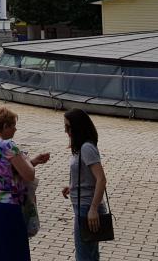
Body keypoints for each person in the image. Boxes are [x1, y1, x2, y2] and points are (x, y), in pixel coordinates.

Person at [0, 106, 51, 261]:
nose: (15, 129)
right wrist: (26, 160)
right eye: (13, 126)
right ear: (5, 126)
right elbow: (29, 175)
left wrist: (33, 161)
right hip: (7, 206)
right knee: (12, 252)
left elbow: (5, 173)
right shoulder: (8, 145)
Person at [61, 108, 108, 261]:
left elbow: (101, 179)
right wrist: (73, 187)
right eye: (65, 127)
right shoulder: (81, 147)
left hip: (87, 208)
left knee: (84, 256)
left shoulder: (87, 148)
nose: (66, 131)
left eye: (69, 127)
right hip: (83, 206)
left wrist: (93, 209)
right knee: (90, 254)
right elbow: (88, 176)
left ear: (78, 127)